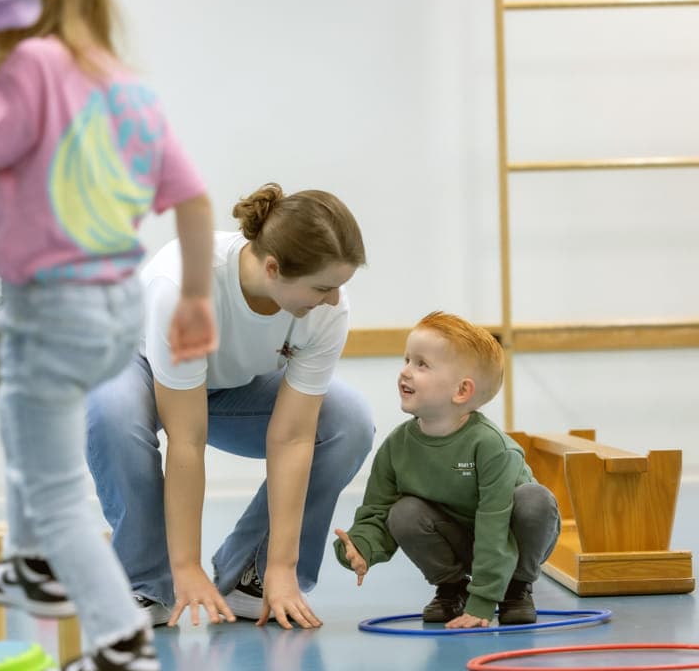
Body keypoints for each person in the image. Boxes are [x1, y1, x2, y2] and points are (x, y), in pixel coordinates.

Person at [0, 0, 217, 671]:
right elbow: (193, 196)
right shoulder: (126, 88)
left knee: (52, 488)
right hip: (114, 309)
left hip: (50, 309)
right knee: (22, 428)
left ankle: (122, 651)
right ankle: (33, 560)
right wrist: (195, 300)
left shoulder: (32, 68)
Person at [86, 182, 374, 632]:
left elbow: (294, 436)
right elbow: (187, 439)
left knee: (347, 422)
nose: (334, 299)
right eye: (322, 287)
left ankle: (252, 576)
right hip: (138, 368)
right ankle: (148, 583)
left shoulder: (326, 309)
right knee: (109, 411)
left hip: (229, 385)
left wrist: (282, 564)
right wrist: (186, 566)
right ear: (274, 268)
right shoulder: (185, 288)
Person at [334, 311, 561, 628]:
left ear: (461, 391)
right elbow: (378, 508)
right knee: (403, 512)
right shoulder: (397, 447)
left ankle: (516, 588)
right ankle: (451, 588)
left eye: (421, 364)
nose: (405, 372)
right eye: (407, 360)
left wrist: (483, 602)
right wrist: (362, 547)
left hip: (506, 536)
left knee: (535, 500)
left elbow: (495, 524)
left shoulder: (492, 447)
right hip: (456, 541)